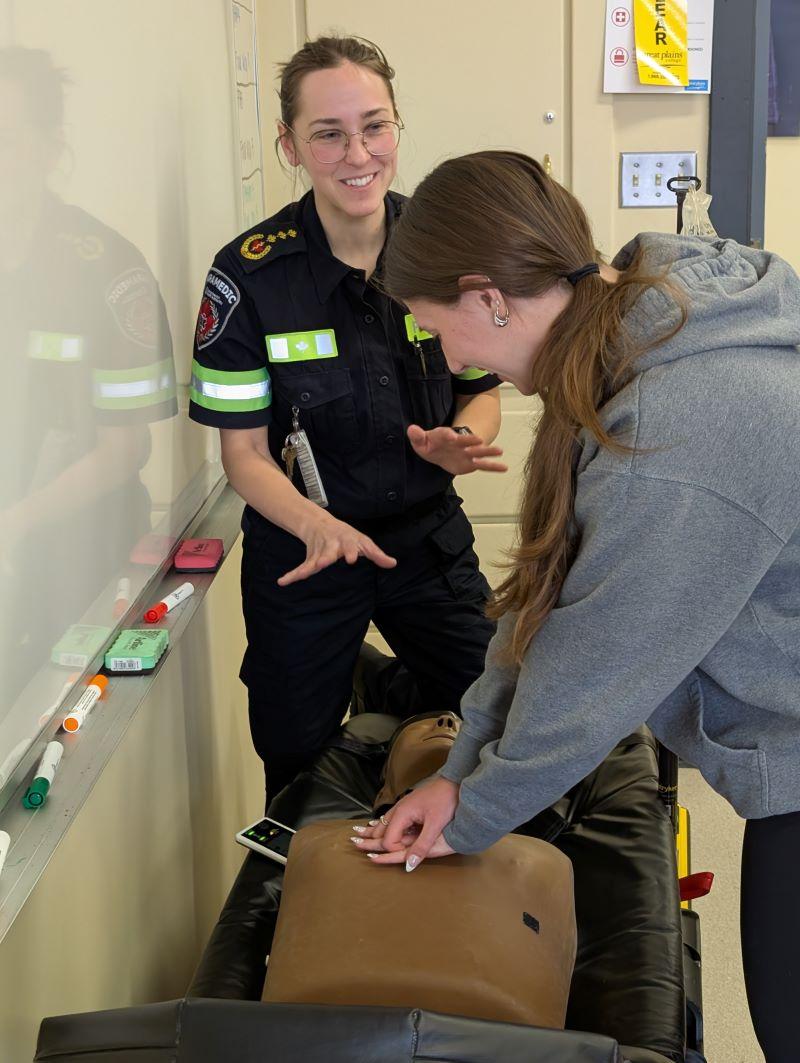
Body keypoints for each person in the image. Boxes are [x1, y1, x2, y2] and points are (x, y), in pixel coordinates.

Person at [352, 151, 800, 1062]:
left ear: (490, 296)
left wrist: (474, 812)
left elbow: (591, 673)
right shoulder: (627, 327)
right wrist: (459, 770)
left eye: (437, 328)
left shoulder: (679, 431)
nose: (450, 357)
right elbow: (549, 608)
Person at [188, 38, 504, 802]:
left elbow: (482, 390)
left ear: (398, 128)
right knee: (295, 756)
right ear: (290, 144)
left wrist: (466, 438)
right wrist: (315, 524)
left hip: (426, 541)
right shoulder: (248, 275)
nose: (356, 152)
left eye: (375, 125)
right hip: (308, 553)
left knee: (498, 717)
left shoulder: (445, 252)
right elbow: (244, 456)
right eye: (328, 132)